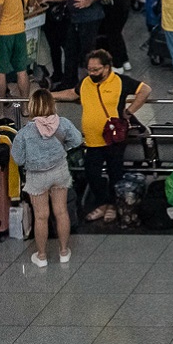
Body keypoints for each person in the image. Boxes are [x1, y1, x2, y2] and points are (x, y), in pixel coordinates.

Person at [52, 48, 151, 223]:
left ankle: (112, 205)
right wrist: (50, 95)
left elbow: (145, 90)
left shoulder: (121, 81)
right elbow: (73, 93)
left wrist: (129, 111)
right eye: (89, 69)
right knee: (92, 173)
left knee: (115, 173)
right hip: (92, 140)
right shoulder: (85, 82)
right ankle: (103, 203)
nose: (92, 73)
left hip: (113, 140)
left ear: (107, 67)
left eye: (96, 70)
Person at [10, 88, 82, 267]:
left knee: (41, 216)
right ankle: (64, 252)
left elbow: (17, 159)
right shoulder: (63, 123)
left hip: (37, 177)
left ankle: (41, 256)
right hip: (59, 172)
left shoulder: (25, 133)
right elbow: (78, 140)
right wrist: (63, 148)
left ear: (32, 106)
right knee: (61, 212)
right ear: (52, 104)